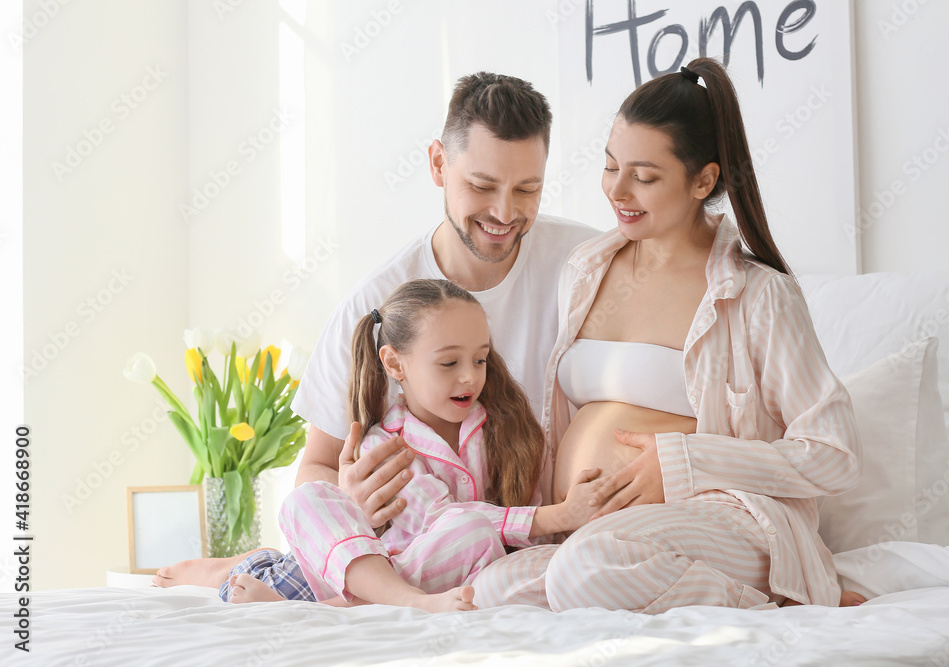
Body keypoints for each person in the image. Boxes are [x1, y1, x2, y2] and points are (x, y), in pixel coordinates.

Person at [152, 72, 597, 590]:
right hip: (403, 542)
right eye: (481, 186)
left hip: (499, 553)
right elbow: (314, 469)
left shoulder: (584, 264)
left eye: (528, 189)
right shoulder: (377, 303)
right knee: (313, 555)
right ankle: (241, 567)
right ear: (438, 163)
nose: (504, 212)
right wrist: (351, 498)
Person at [470, 58, 864, 613]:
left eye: (646, 177)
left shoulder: (757, 295)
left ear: (703, 179)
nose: (618, 190)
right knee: (492, 591)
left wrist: (685, 462)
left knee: (587, 569)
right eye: (611, 167)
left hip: (727, 520)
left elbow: (834, 453)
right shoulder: (586, 269)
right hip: (603, 533)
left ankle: (782, 604)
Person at [222, 279, 601, 611]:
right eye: (449, 363)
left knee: (473, 532)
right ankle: (223, 569)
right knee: (307, 499)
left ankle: (326, 611)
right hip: (356, 571)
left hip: (433, 568)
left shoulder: (509, 428)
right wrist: (561, 514)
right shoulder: (385, 445)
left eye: (480, 359)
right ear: (395, 364)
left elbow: (495, 530)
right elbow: (438, 518)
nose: (470, 376)